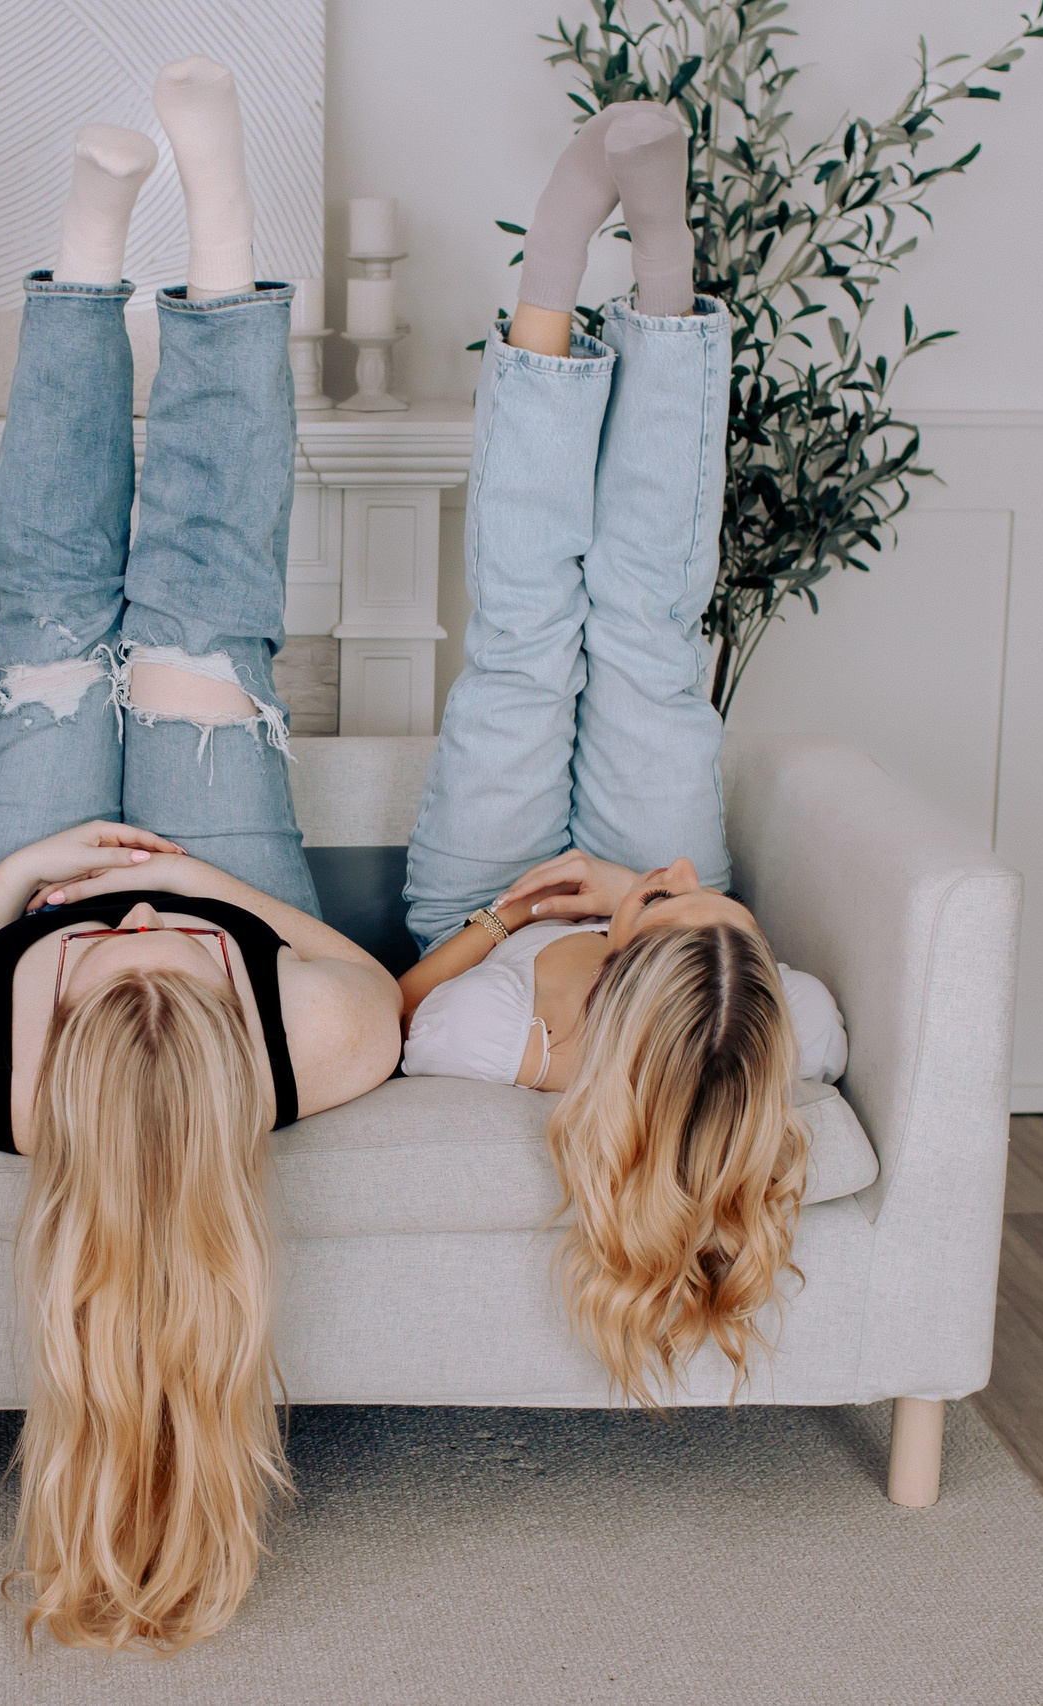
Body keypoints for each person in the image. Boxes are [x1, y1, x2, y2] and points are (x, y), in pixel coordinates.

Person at [0, 61, 403, 1651]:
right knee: (202, 622)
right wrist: (215, 897)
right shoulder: (312, 1035)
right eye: (170, 973)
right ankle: (222, 234)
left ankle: (91, 245)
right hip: (223, 860)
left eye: (117, 981)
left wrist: (26, 893)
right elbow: (371, 977)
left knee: (50, 628)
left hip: (23, 877)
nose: (135, 937)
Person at [394, 101, 848, 1406]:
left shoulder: (502, 1037)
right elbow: (749, 973)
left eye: (673, 898)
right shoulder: (783, 1022)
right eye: (717, 902)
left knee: (524, 637)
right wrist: (646, 897)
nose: (694, 874)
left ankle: (554, 252)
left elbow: (400, 1015)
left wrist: (518, 915)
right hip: (622, 904)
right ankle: (662, 266)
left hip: (493, 892)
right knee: (647, 631)